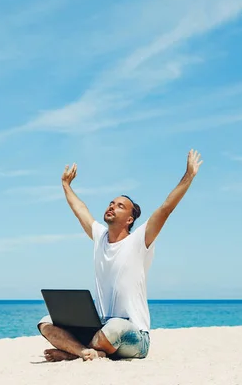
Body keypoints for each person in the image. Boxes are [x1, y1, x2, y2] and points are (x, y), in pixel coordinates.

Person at [37, 149, 203, 362]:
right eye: (111, 203)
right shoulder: (99, 237)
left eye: (120, 206)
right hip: (100, 328)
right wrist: (66, 186)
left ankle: (73, 351)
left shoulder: (140, 241)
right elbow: (80, 209)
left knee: (114, 327)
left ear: (129, 220)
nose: (112, 207)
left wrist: (188, 176)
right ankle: (82, 352)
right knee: (46, 322)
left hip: (134, 334)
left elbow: (165, 208)